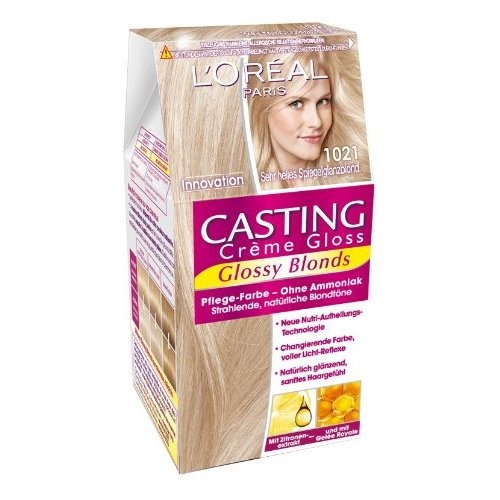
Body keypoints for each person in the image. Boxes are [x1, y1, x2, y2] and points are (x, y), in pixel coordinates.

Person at [247, 49, 370, 189]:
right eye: (296, 104)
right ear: (262, 110)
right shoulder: (244, 188)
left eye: (323, 101)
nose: (316, 122)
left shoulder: (353, 178)